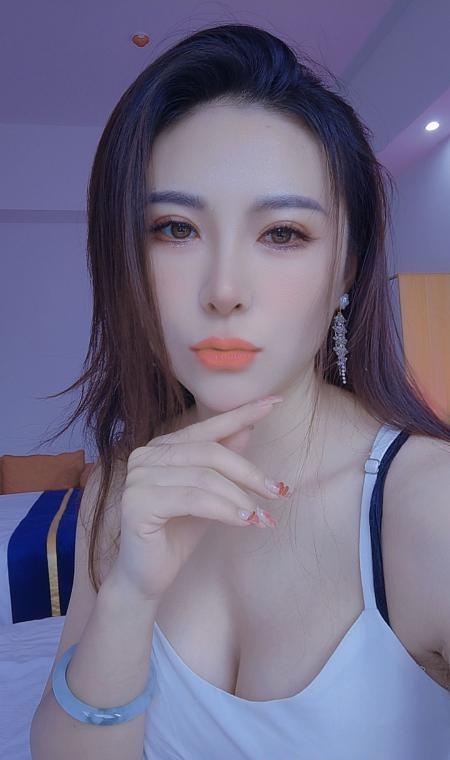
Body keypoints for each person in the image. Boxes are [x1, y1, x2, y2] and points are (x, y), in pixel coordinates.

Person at [30, 22, 450, 760]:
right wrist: (129, 594)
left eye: (282, 233)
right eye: (174, 229)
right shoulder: (121, 487)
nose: (223, 289)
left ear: (348, 266)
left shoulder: (428, 505)